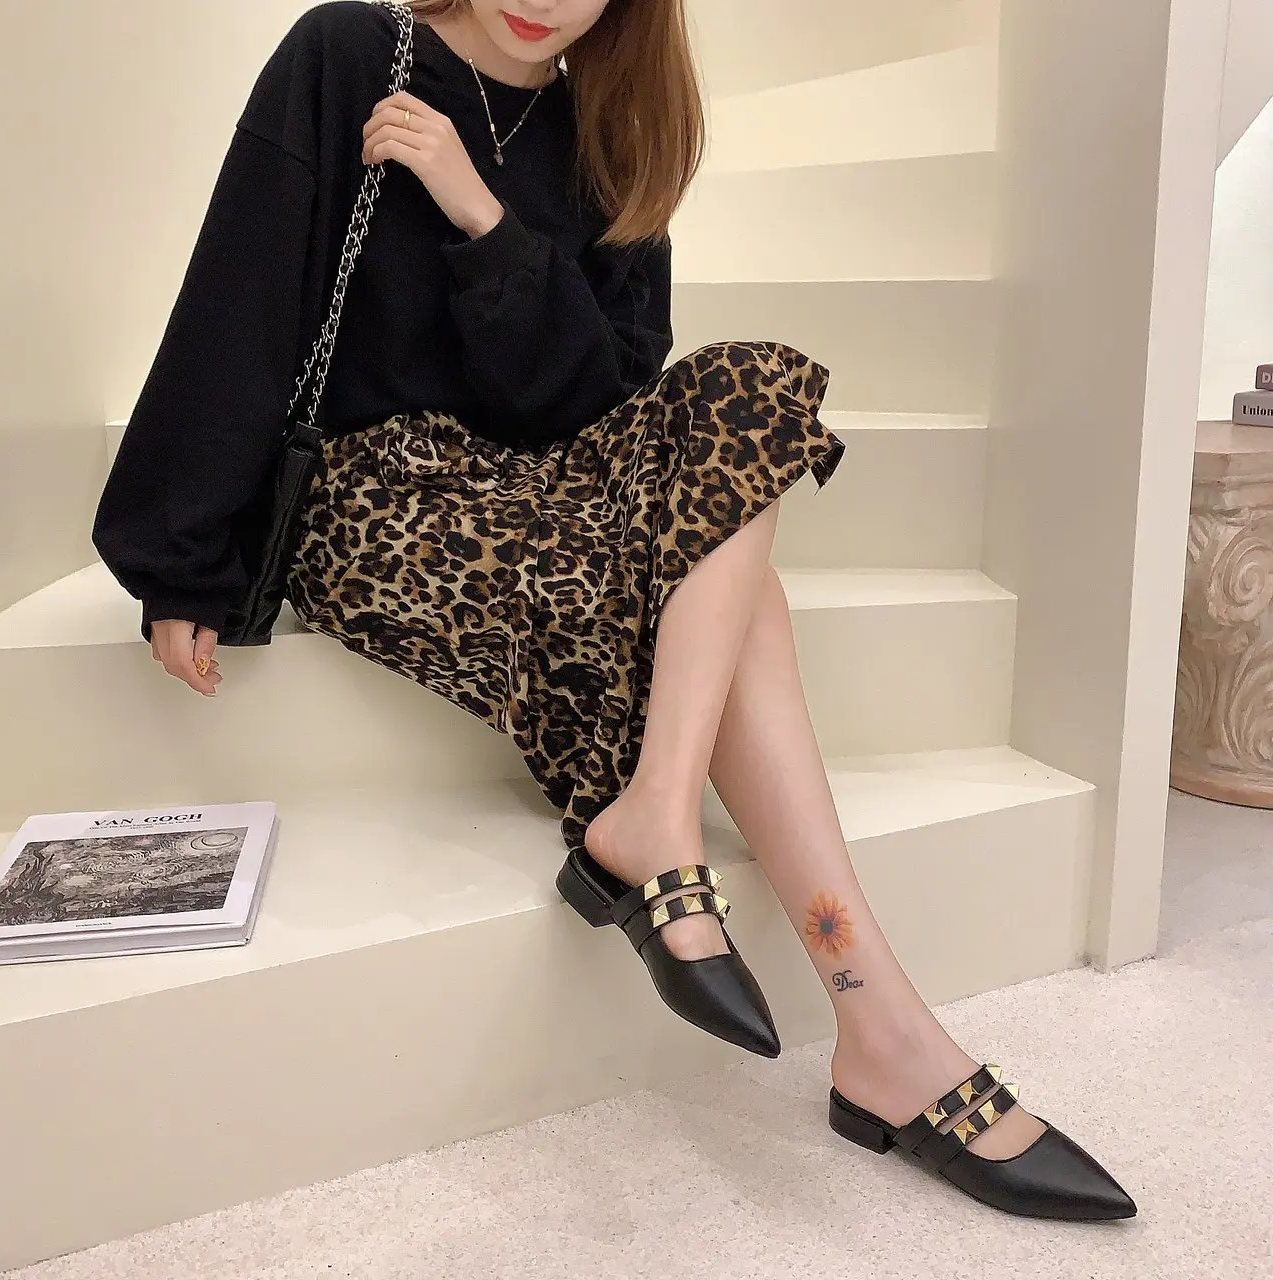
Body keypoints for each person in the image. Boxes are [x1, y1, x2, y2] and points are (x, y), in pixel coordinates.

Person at [93, 0, 1135, 1221]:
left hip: (546, 483)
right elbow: (242, 292)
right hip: (383, 497)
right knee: (738, 582)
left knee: (746, 391)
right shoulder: (350, 54)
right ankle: (878, 1022)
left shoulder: (614, 129)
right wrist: (184, 560)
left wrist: (480, 215)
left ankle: (671, 827)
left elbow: (612, 406)